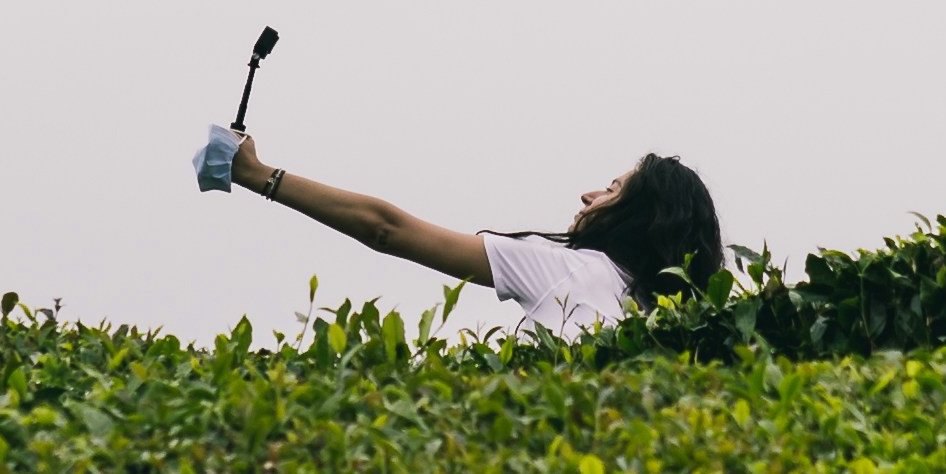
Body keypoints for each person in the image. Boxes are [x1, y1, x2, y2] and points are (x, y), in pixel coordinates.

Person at [224, 134, 724, 337]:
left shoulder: (569, 269)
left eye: (613, 189)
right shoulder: (669, 326)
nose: (588, 195)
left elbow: (385, 229)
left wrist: (259, 174)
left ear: (640, 215)